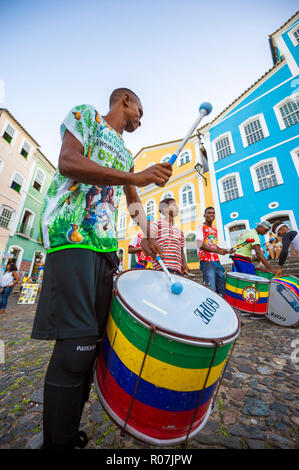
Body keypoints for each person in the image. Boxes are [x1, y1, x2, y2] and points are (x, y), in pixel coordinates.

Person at [30, 88, 172, 449]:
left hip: (107, 247)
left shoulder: (125, 153)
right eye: (140, 108)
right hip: (71, 237)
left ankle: (66, 434)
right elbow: (68, 163)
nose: (141, 117)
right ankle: (54, 443)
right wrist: (135, 177)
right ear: (125, 99)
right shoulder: (85, 116)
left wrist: (147, 235)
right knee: (74, 346)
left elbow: (133, 201)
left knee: (93, 345)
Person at [143, 198, 189, 276]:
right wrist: (153, 255)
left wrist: (184, 264)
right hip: (162, 269)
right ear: (165, 209)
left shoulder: (180, 231)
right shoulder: (157, 223)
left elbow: (181, 250)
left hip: (178, 271)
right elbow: (144, 243)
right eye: (174, 205)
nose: (177, 207)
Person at [196, 207, 231, 297]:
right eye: (209, 213)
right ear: (204, 215)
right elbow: (200, 244)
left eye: (213, 213)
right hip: (206, 261)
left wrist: (225, 251)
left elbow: (213, 245)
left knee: (222, 286)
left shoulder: (215, 229)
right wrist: (218, 251)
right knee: (211, 288)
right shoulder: (201, 226)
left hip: (216, 261)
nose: (211, 215)